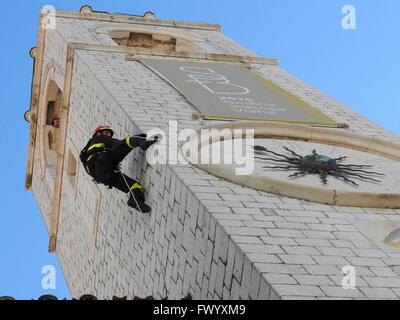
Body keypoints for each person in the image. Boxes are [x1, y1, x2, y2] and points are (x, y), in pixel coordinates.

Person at [79, 125, 158, 213]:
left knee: (134, 185)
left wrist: (110, 165)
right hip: (101, 161)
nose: (108, 135)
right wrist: (133, 139)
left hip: (103, 176)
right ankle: (141, 141)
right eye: (106, 133)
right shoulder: (99, 138)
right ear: (98, 133)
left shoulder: (89, 152)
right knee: (125, 143)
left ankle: (135, 201)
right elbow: (117, 144)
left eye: (109, 134)